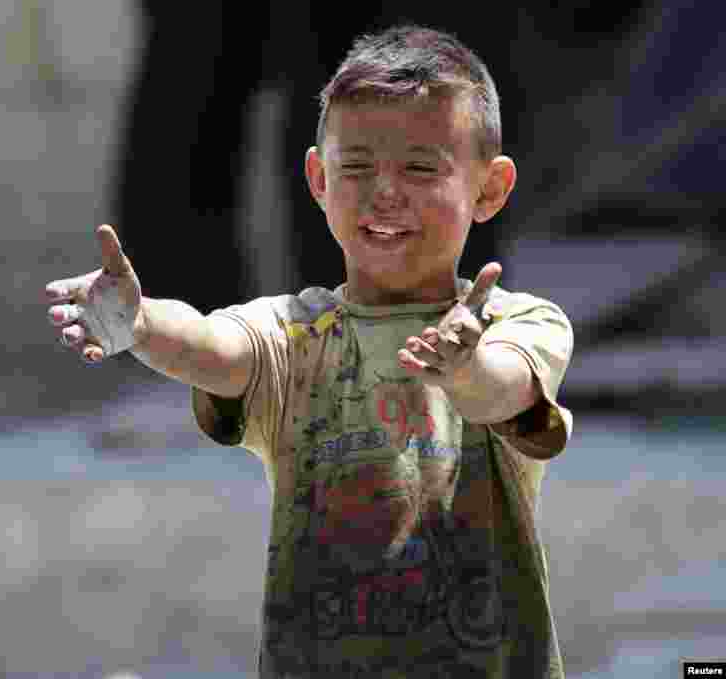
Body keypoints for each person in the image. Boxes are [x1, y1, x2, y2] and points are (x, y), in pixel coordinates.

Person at [46, 24, 573, 678]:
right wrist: (141, 321)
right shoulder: (295, 333)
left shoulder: (515, 321)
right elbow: (214, 344)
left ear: (489, 190)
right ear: (320, 181)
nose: (385, 191)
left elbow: (509, 389)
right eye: (357, 168)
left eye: (419, 167)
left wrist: (463, 369)